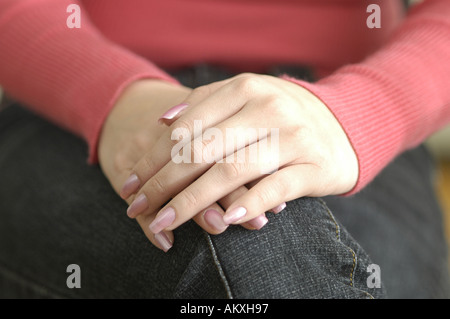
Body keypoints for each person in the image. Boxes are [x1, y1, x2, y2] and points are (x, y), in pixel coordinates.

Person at [0, 0, 449, 299]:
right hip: (76, 107)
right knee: (246, 249)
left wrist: (362, 111)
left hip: (335, 120)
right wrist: (115, 97)